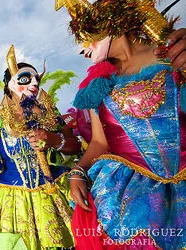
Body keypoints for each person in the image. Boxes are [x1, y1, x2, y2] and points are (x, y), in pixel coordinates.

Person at [55, 0, 186, 249]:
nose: (83, 50)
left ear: (111, 24)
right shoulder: (96, 86)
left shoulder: (174, 53)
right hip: (130, 192)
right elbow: (98, 142)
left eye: (87, 38)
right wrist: (77, 171)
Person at [0, 45, 81, 249]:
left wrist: (53, 140)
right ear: (9, 84)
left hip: (53, 193)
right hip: (12, 202)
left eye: (36, 80)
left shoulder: (49, 113)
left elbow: (74, 146)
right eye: (25, 78)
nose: (33, 84)